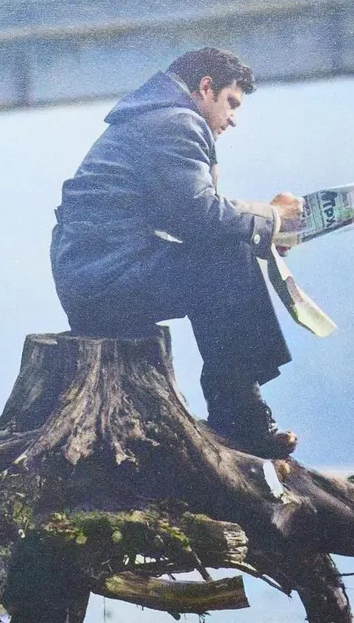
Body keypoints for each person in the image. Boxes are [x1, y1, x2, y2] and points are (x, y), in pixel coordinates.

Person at [50, 46, 304, 459]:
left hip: (93, 276)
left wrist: (263, 225)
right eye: (231, 103)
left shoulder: (153, 117)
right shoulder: (176, 122)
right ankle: (241, 418)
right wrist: (272, 219)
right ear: (206, 88)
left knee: (227, 252)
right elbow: (200, 215)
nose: (233, 118)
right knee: (228, 261)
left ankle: (241, 414)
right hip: (105, 277)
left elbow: (188, 215)